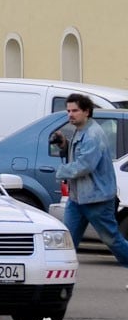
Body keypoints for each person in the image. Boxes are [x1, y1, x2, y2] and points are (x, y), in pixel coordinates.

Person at [54, 93, 128, 268]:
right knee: (68, 240)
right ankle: (59, 276)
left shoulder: (93, 134)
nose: (70, 114)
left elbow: (85, 165)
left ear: (86, 111)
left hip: (97, 200)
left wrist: (61, 171)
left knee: (112, 240)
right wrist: (64, 145)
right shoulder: (81, 130)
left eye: (75, 111)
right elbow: (78, 157)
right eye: (68, 111)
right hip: (78, 198)